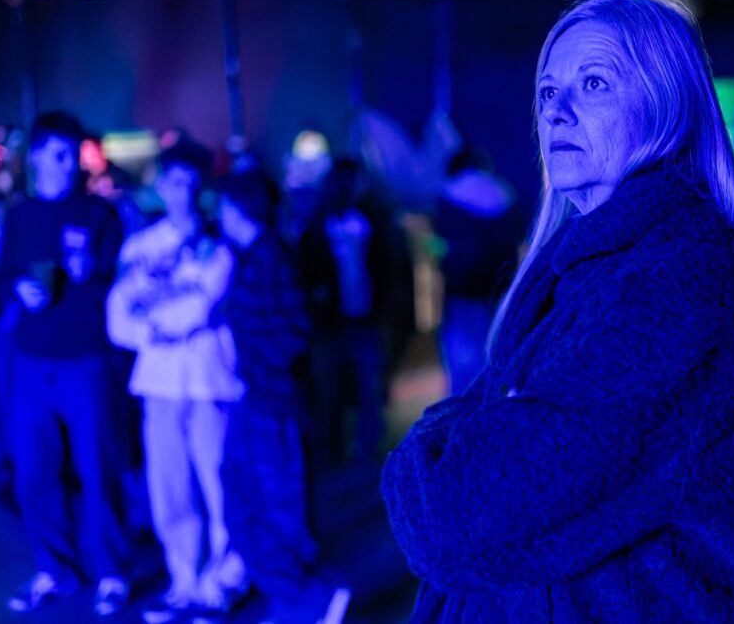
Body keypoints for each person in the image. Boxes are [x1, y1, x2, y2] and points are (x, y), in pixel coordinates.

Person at [381, 0, 734, 622]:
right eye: (548, 92)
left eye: (595, 84)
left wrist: (433, 444)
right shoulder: (590, 270)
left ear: (665, 103)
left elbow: (458, 514)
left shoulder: (678, 286)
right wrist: (477, 432)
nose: (557, 112)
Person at [106, 137, 245, 623]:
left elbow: (203, 306)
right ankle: (183, 581)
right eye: (174, 181)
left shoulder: (217, 247)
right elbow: (117, 318)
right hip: (158, 384)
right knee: (170, 486)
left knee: (219, 482)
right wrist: (154, 328)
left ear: (201, 188)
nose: (182, 192)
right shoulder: (139, 246)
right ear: (160, 185)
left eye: (190, 182)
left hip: (209, 381)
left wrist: (155, 320)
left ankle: (224, 580)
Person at [0, 112, 129, 616]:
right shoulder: (21, 215)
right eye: (58, 154)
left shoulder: (99, 213)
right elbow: (3, 275)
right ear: (36, 156)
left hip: (86, 361)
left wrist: (92, 271)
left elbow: (123, 278)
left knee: (99, 469)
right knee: (34, 473)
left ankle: (113, 573)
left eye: (73, 155)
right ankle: (56, 570)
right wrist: (17, 288)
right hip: (32, 362)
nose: (68, 164)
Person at [215, 170, 352, 624]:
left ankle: (309, 599)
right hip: (258, 396)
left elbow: (296, 330)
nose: (219, 213)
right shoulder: (255, 255)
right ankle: (295, 597)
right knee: (245, 496)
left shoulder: (270, 258)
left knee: (275, 501)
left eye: (224, 205)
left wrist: (260, 366)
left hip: (271, 400)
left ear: (240, 208)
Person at [299, 156, 410, 464]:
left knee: (368, 381)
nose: (363, 184)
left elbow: (384, 261)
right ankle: (332, 450)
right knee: (332, 384)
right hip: (332, 319)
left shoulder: (369, 216)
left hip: (365, 314)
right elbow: (309, 268)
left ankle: (369, 445)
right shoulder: (319, 223)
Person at [433, 146, 521, 394]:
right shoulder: (503, 192)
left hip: (462, 289)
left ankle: (466, 403)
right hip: (500, 285)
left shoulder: (449, 195)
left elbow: (442, 242)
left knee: (463, 355)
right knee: (497, 345)